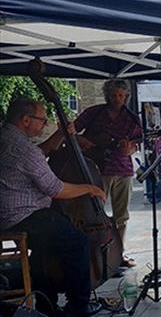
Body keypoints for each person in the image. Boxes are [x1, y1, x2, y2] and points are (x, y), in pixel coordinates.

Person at [0, 97, 106, 316]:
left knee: (42, 251)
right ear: (26, 120)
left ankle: (45, 305)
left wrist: (60, 135)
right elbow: (56, 189)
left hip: (9, 213)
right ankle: (78, 307)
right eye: (42, 119)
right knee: (78, 242)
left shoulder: (7, 137)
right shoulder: (22, 148)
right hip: (24, 215)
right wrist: (90, 188)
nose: (45, 124)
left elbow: (41, 152)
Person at [75, 79, 142, 268]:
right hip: (96, 170)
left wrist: (128, 149)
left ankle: (118, 254)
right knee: (93, 212)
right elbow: (72, 130)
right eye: (113, 95)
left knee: (122, 216)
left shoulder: (131, 119)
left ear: (126, 96)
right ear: (107, 96)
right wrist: (83, 142)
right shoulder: (94, 113)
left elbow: (136, 144)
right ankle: (93, 253)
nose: (117, 99)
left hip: (122, 170)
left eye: (121, 95)